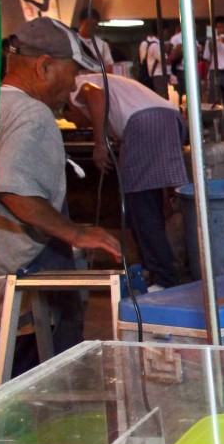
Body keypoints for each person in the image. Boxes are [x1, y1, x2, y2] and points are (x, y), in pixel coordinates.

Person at [0, 18, 121, 376]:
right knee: (47, 387)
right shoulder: (33, 113)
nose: (74, 85)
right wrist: (74, 233)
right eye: (73, 73)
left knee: (10, 381)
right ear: (44, 66)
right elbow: (11, 185)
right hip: (29, 275)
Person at [66, 69, 187, 290]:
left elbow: (94, 95)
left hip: (145, 122)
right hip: (168, 118)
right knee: (142, 205)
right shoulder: (111, 86)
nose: (78, 125)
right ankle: (155, 270)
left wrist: (100, 144)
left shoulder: (77, 85)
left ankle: (164, 278)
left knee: (141, 205)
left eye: (74, 120)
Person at [137, 21, 171, 96]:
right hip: (157, 76)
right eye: (166, 31)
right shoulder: (155, 45)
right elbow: (166, 61)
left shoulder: (151, 43)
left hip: (153, 76)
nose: (167, 33)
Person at [77, 7, 114, 72]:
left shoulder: (102, 44)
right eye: (88, 24)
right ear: (80, 22)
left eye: (94, 25)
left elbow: (109, 67)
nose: (91, 27)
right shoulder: (70, 41)